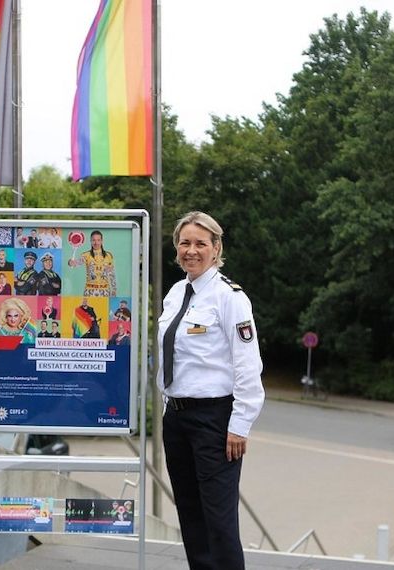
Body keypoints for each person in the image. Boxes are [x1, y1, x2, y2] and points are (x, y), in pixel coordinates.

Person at [157, 211, 264, 570]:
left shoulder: (230, 297)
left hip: (215, 421)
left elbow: (248, 365)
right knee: (190, 514)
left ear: (216, 249)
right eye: (185, 243)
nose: (191, 250)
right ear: (176, 248)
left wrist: (240, 425)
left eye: (201, 243)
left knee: (219, 521)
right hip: (176, 418)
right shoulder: (175, 294)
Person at [68, 230, 116, 296]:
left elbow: (111, 274)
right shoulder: (86, 255)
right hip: (90, 291)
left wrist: (114, 289)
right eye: (93, 240)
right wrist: (71, 263)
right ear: (90, 241)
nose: (96, 243)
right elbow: (77, 263)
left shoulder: (108, 255)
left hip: (105, 291)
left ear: (102, 241)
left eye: (98, 240)